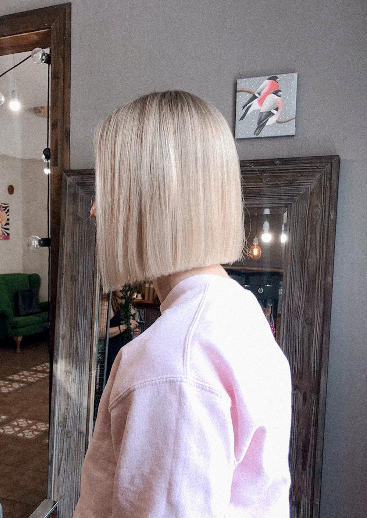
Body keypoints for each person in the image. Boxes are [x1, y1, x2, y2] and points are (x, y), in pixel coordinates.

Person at [75, 91, 292, 517]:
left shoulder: (174, 361)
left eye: (108, 189)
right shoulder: (236, 309)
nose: (95, 210)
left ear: (152, 200)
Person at [98, 290, 140, 381]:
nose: (124, 289)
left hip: (125, 354)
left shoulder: (127, 304)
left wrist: (133, 331)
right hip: (110, 354)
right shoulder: (106, 301)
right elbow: (101, 332)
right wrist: (124, 326)